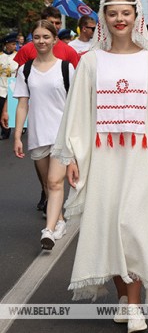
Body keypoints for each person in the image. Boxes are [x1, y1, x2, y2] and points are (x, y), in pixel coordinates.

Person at [51, 0, 148, 332]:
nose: (119, 19)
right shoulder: (91, 62)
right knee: (109, 226)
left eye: (126, 13)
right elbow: (77, 112)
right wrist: (73, 157)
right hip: (103, 157)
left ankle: (135, 306)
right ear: (104, 19)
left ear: (136, 17)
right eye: (113, 14)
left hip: (140, 157)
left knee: (134, 227)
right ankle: (124, 298)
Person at [13, 21, 74, 250]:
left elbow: (75, 105)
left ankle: (47, 231)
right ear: (32, 40)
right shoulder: (25, 70)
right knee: (47, 184)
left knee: (54, 181)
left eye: (46, 37)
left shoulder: (66, 68)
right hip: (38, 134)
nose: (41, 41)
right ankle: (58, 221)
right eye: (37, 37)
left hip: (62, 134)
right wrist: (18, 136)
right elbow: (22, 105)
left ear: (54, 39)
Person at [14, 6, 80, 68]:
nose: (54, 26)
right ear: (42, 22)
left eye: (57, 23)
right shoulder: (26, 50)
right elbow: (19, 77)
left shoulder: (70, 52)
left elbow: (76, 78)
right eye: (50, 23)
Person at [0, 33, 19, 140]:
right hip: (1, 88)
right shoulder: (1, 56)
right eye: (12, 44)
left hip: (12, 87)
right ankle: (5, 131)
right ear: (6, 45)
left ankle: (21, 127)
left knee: (14, 110)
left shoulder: (17, 56)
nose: (14, 46)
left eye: (15, 44)